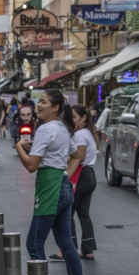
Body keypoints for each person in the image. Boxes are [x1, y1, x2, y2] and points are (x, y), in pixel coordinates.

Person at [16, 89, 87, 275]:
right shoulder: (63, 129)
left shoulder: (46, 130)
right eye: (39, 102)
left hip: (50, 188)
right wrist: (65, 173)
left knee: (34, 244)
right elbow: (77, 155)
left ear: (55, 107)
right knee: (67, 244)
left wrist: (19, 147)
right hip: (64, 185)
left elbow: (31, 166)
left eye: (44, 102)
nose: (39, 105)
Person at [54, 105, 98, 260]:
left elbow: (78, 157)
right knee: (83, 214)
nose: (71, 121)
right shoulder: (88, 133)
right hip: (90, 175)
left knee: (68, 213)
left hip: (81, 175)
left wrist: (65, 177)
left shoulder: (80, 135)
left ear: (83, 118)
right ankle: (88, 249)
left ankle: (68, 249)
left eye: (74, 117)